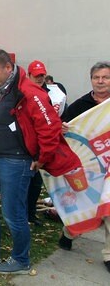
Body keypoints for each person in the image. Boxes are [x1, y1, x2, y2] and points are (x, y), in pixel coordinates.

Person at [0, 49, 81, 275]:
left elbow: (49, 128)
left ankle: (20, 258)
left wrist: (41, 158)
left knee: (12, 212)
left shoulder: (29, 92)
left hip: (16, 162)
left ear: (9, 67)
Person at [58, 61, 110, 273]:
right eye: (96, 77)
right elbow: (64, 130)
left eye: (105, 77)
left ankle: (108, 255)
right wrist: (61, 128)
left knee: (108, 210)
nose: (100, 81)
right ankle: (69, 232)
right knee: (84, 206)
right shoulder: (80, 106)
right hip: (89, 168)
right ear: (91, 80)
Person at [26, 60, 67, 227]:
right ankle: (22, 214)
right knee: (26, 182)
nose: (39, 78)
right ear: (29, 76)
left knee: (37, 182)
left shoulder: (52, 94)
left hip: (43, 144)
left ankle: (30, 213)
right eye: (36, 76)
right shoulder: (24, 93)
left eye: (42, 75)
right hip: (28, 145)